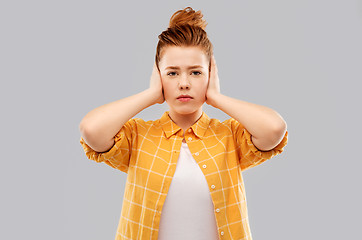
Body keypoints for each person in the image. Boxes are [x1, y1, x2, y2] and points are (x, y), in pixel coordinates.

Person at [79, 6, 288, 240]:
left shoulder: (229, 136)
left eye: (196, 73)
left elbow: (274, 129)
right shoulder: (138, 135)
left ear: (210, 75)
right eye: (172, 73)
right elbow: (91, 130)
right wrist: (150, 95)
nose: (184, 83)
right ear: (158, 75)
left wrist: (217, 98)